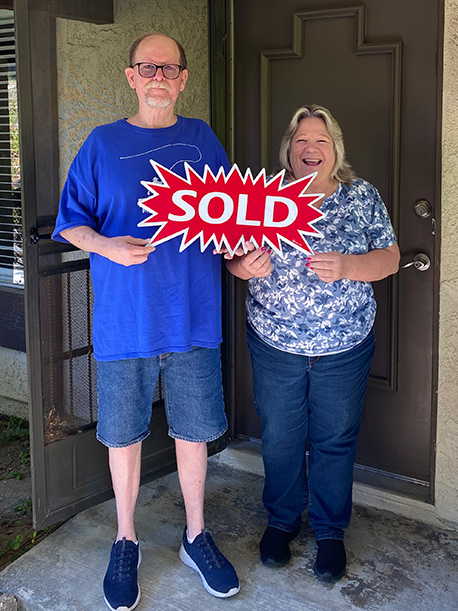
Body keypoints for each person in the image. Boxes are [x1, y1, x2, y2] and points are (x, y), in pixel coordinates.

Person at [52, 32, 240, 611]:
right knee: (125, 437)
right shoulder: (101, 144)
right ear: (131, 77)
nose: (158, 74)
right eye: (147, 66)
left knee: (194, 432)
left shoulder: (203, 139)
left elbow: (231, 225)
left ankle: (195, 536)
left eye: (169, 67)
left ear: (183, 79)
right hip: (124, 323)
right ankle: (125, 539)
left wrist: (246, 260)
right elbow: (70, 223)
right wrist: (105, 247)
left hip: (192, 320)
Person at [226, 104, 400, 582]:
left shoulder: (360, 197)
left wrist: (347, 266)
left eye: (321, 141)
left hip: (344, 344)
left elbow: (389, 258)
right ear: (289, 149)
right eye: (301, 140)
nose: (310, 149)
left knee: (334, 440)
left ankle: (329, 532)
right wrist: (245, 267)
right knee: (280, 437)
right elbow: (232, 259)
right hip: (275, 341)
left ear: (335, 151)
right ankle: (281, 522)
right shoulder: (262, 197)